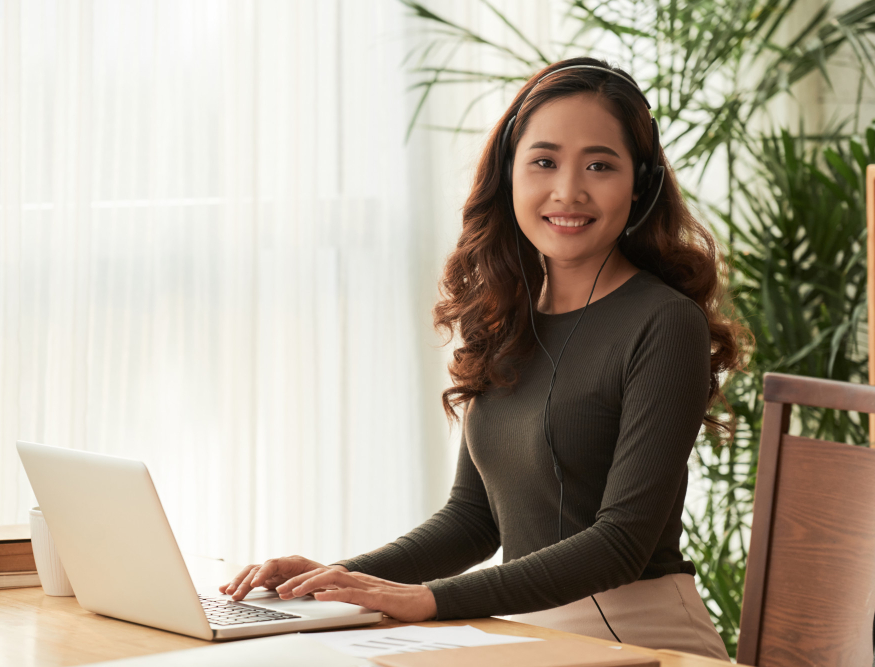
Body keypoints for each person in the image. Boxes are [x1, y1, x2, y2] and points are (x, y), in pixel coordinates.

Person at [220, 57, 748, 660]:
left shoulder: (663, 322)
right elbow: (473, 520)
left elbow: (621, 543)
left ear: (641, 184)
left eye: (600, 165)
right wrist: (334, 580)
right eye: (544, 162)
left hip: (638, 634)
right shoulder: (506, 313)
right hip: (528, 628)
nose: (568, 190)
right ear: (511, 175)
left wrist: (431, 599)